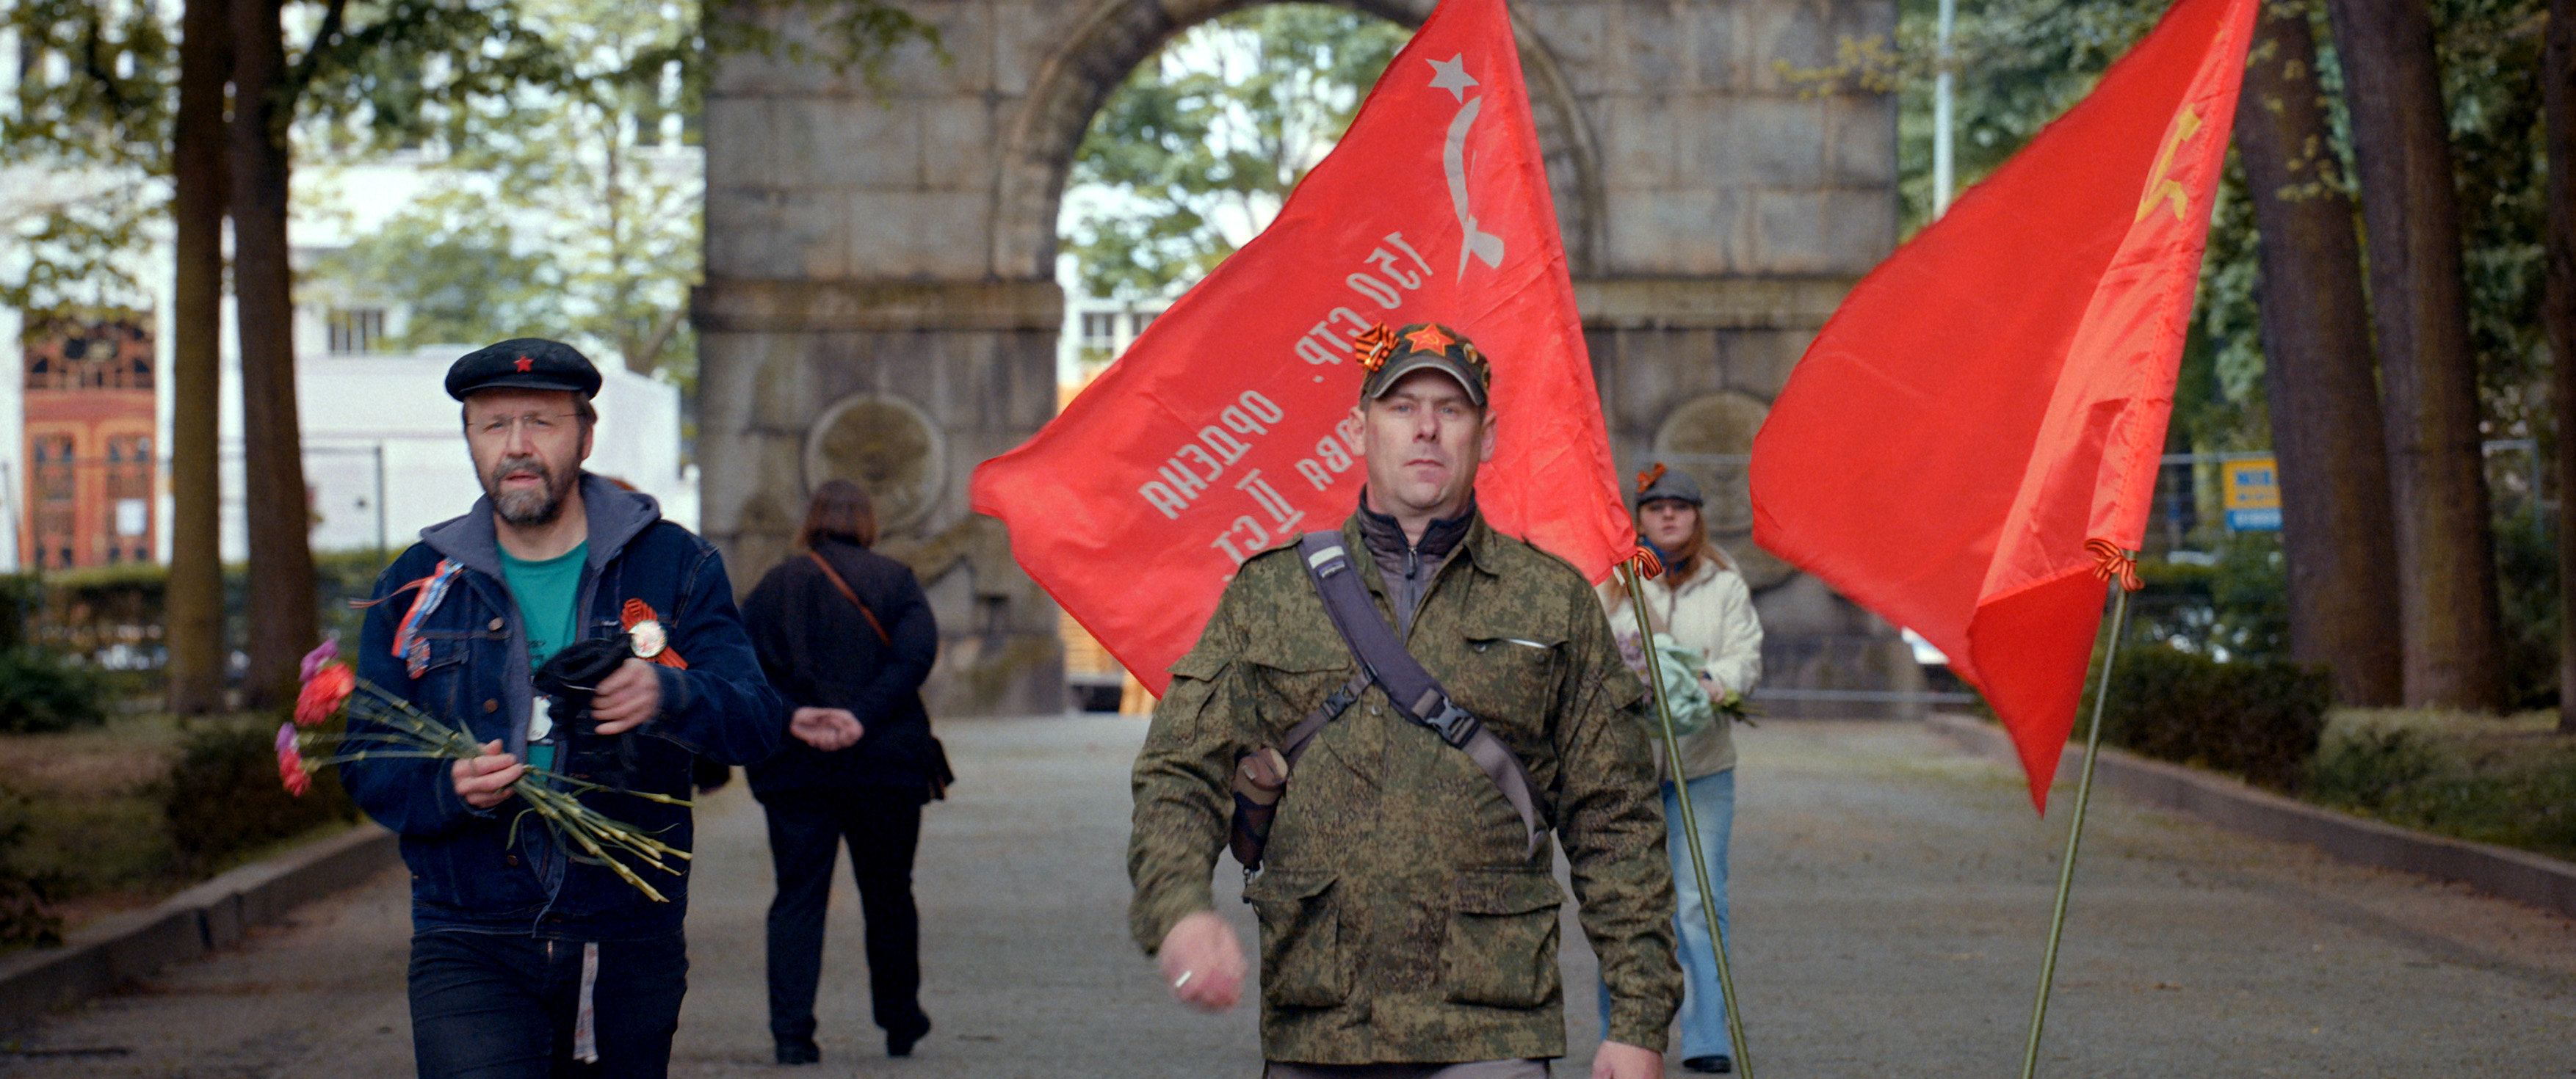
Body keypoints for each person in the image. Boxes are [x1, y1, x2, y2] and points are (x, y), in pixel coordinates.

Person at [1129, 322, 1682, 1079]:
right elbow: (1178, 772)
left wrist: (1639, 1020)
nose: (1426, 428)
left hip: (1489, 1024)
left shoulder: (1550, 601)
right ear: (1359, 430)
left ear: (1486, 438)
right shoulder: (1271, 593)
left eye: (1451, 411)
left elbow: (1615, 818)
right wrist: (1180, 909)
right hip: (1320, 1022)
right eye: (1401, 407)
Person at [347, 338, 786, 1079]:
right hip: (467, 930)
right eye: (493, 425)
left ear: (584, 433)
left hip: (623, 935)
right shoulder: (418, 583)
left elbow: (757, 722)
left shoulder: (675, 566)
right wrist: (444, 786)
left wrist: (667, 692)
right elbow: (366, 759)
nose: (516, 446)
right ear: (470, 440)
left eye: (541, 422)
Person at [739, 479, 942, 1065]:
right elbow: (915, 657)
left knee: (797, 897)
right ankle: (900, 1020)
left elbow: (743, 665)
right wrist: (861, 716)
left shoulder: (776, 585)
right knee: (889, 894)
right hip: (884, 765)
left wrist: (794, 715)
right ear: (868, 521)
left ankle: (792, 1034)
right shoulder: (896, 580)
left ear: (812, 521)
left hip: (797, 768)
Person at [1596, 465, 1762, 1075]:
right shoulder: (1615, 579)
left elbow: (1745, 651)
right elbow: (1592, 653)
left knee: (1698, 902)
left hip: (1702, 767)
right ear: (1639, 517)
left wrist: (1717, 684)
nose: (1668, 515)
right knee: (1625, 904)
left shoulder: (1722, 582)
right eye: (1656, 506)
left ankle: (1705, 1036)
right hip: (1628, 772)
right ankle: (1626, 1030)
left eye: (1680, 507)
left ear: (1697, 517)